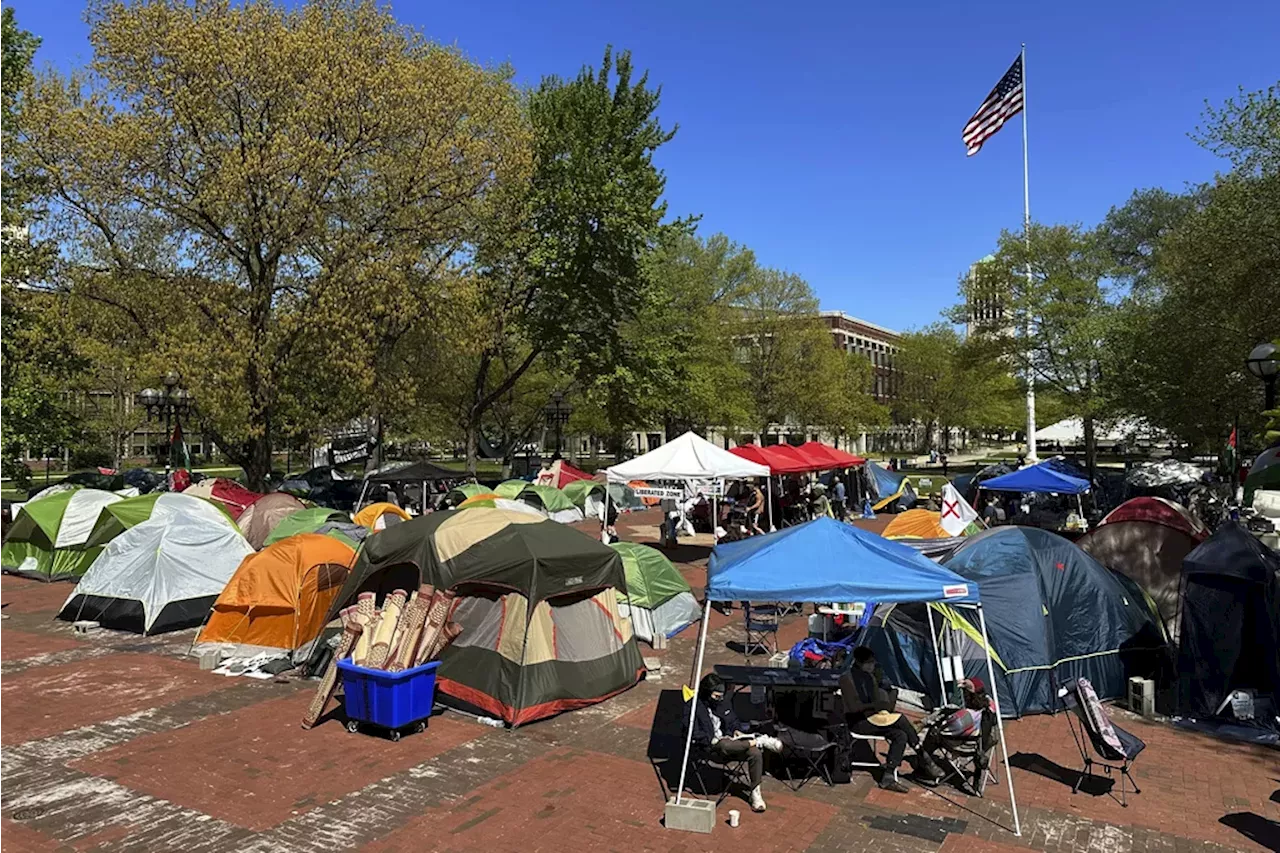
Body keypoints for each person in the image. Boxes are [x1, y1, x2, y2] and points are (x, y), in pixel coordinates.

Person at [839, 647, 942, 793]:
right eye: (869, 663)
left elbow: (881, 702)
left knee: (901, 735)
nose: (872, 665)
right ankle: (923, 757)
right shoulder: (847, 679)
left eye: (873, 662)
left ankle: (888, 777)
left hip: (873, 716)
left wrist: (887, 692)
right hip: (859, 722)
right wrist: (876, 704)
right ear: (860, 662)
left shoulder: (869, 676)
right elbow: (854, 707)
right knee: (901, 719)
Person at [688, 673, 784, 812]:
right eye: (716, 696)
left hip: (732, 743)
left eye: (721, 696)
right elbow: (692, 732)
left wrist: (736, 731)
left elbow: (733, 721)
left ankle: (755, 793)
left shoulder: (723, 703)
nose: (719, 699)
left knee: (755, 753)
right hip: (711, 747)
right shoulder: (693, 706)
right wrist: (711, 740)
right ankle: (759, 740)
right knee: (724, 744)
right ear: (707, 693)